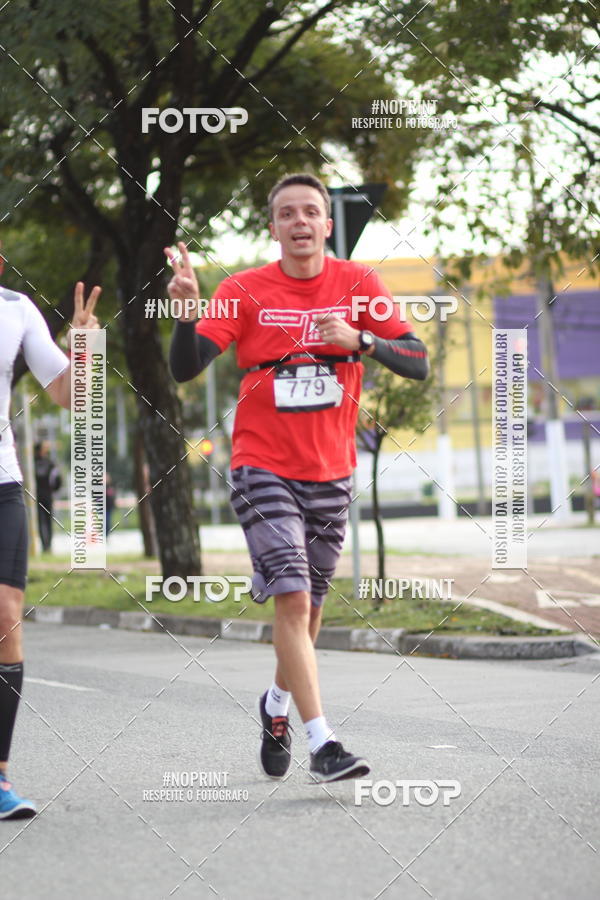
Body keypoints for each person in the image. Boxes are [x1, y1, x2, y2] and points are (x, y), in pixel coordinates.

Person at [166, 173, 428, 783]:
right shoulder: (243, 289)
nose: (301, 221)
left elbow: (417, 360)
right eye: (288, 213)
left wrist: (362, 339)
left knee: (308, 612)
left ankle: (276, 705)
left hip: (332, 470)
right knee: (289, 593)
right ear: (274, 226)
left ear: (327, 224)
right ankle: (323, 743)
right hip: (261, 464)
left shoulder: (359, 284)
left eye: (311, 211)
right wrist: (184, 316)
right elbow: (186, 367)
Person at [0, 246, 100, 818]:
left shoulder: (17, 311)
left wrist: (83, 345)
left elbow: (67, 394)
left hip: (2, 483)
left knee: (6, 617)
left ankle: (0, 775)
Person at [33, 441, 62, 552]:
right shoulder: (50, 463)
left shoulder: (31, 463)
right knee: (47, 521)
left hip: (36, 496)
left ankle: (46, 545)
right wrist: (53, 490)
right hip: (46, 496)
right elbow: (57, 479)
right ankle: (47, 546)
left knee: (41, 521)